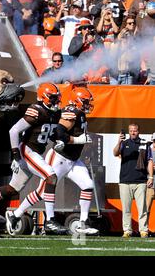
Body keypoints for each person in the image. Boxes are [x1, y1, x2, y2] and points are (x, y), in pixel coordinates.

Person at [0, 83, 66, 235]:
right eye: (52, 98)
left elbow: (48, 132)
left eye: (56, 98)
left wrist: (58, 140)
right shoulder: (36, 110)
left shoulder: (54, 113)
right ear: (43, 97)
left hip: (35, 152)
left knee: (12, 189)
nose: (55, 101)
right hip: (27, 151)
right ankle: (50, 221)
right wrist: (15, 156)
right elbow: (14, 131)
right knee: (51, 177)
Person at [38, 86, 99, 235]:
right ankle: (20, 214)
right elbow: (59, 132)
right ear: (77, 101)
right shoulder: (71, 112)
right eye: (84, 101)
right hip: (59, 157)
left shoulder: (80, 113)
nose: (87, 104)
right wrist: (78, 141)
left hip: (73, 160)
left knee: (88, 185)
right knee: (41, 192)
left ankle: (82, 223)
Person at [113, 123, 150, 238]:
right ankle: (127, 230)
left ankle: (143, 230)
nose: (133, 132)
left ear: (139, 131)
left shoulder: (144, 143)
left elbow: (149, 161)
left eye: (135, 130)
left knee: (142, 209)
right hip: (125, 181)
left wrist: (150, 177)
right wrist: (119, 141)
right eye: (131, 131)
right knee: (126, 209)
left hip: (141, 181)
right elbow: (115, 153)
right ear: (128, 132)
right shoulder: (124, 143)